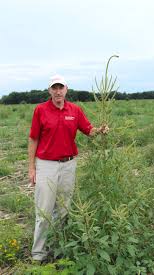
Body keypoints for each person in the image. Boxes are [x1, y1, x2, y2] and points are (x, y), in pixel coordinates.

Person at [28, 74, 109, 262]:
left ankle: (59, 249)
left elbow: (89, 131)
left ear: (66, 89)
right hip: (46, 165)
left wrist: (101, 130)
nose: (58, 91)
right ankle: (38, 255)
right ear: (49, 90)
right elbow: (33, 139)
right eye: (54, 88)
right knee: (44, 211)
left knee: (64, 210)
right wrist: (31, 168)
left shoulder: (75, 110)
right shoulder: (40, 110)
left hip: (69, 165)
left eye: (61, 87)